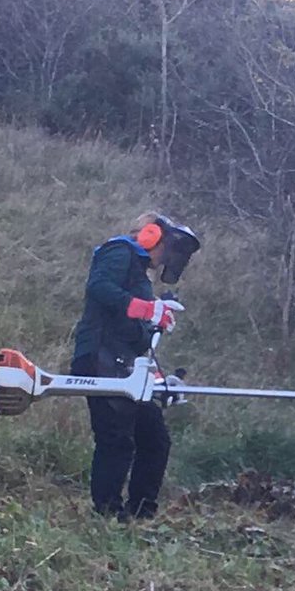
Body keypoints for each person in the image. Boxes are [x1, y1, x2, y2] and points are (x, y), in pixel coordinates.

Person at [69, 212, 201, 520]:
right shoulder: (120, 251)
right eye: (166, 248)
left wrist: (158, 378)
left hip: (124, 365)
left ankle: (142, 513)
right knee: (115, 439)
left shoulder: (139, 275)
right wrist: (144, 308)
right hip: (100, 358)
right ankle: (108, 514)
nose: (165, 258)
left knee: (154, 439)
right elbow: (99, 287)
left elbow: (135, 338)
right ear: (151, 235)